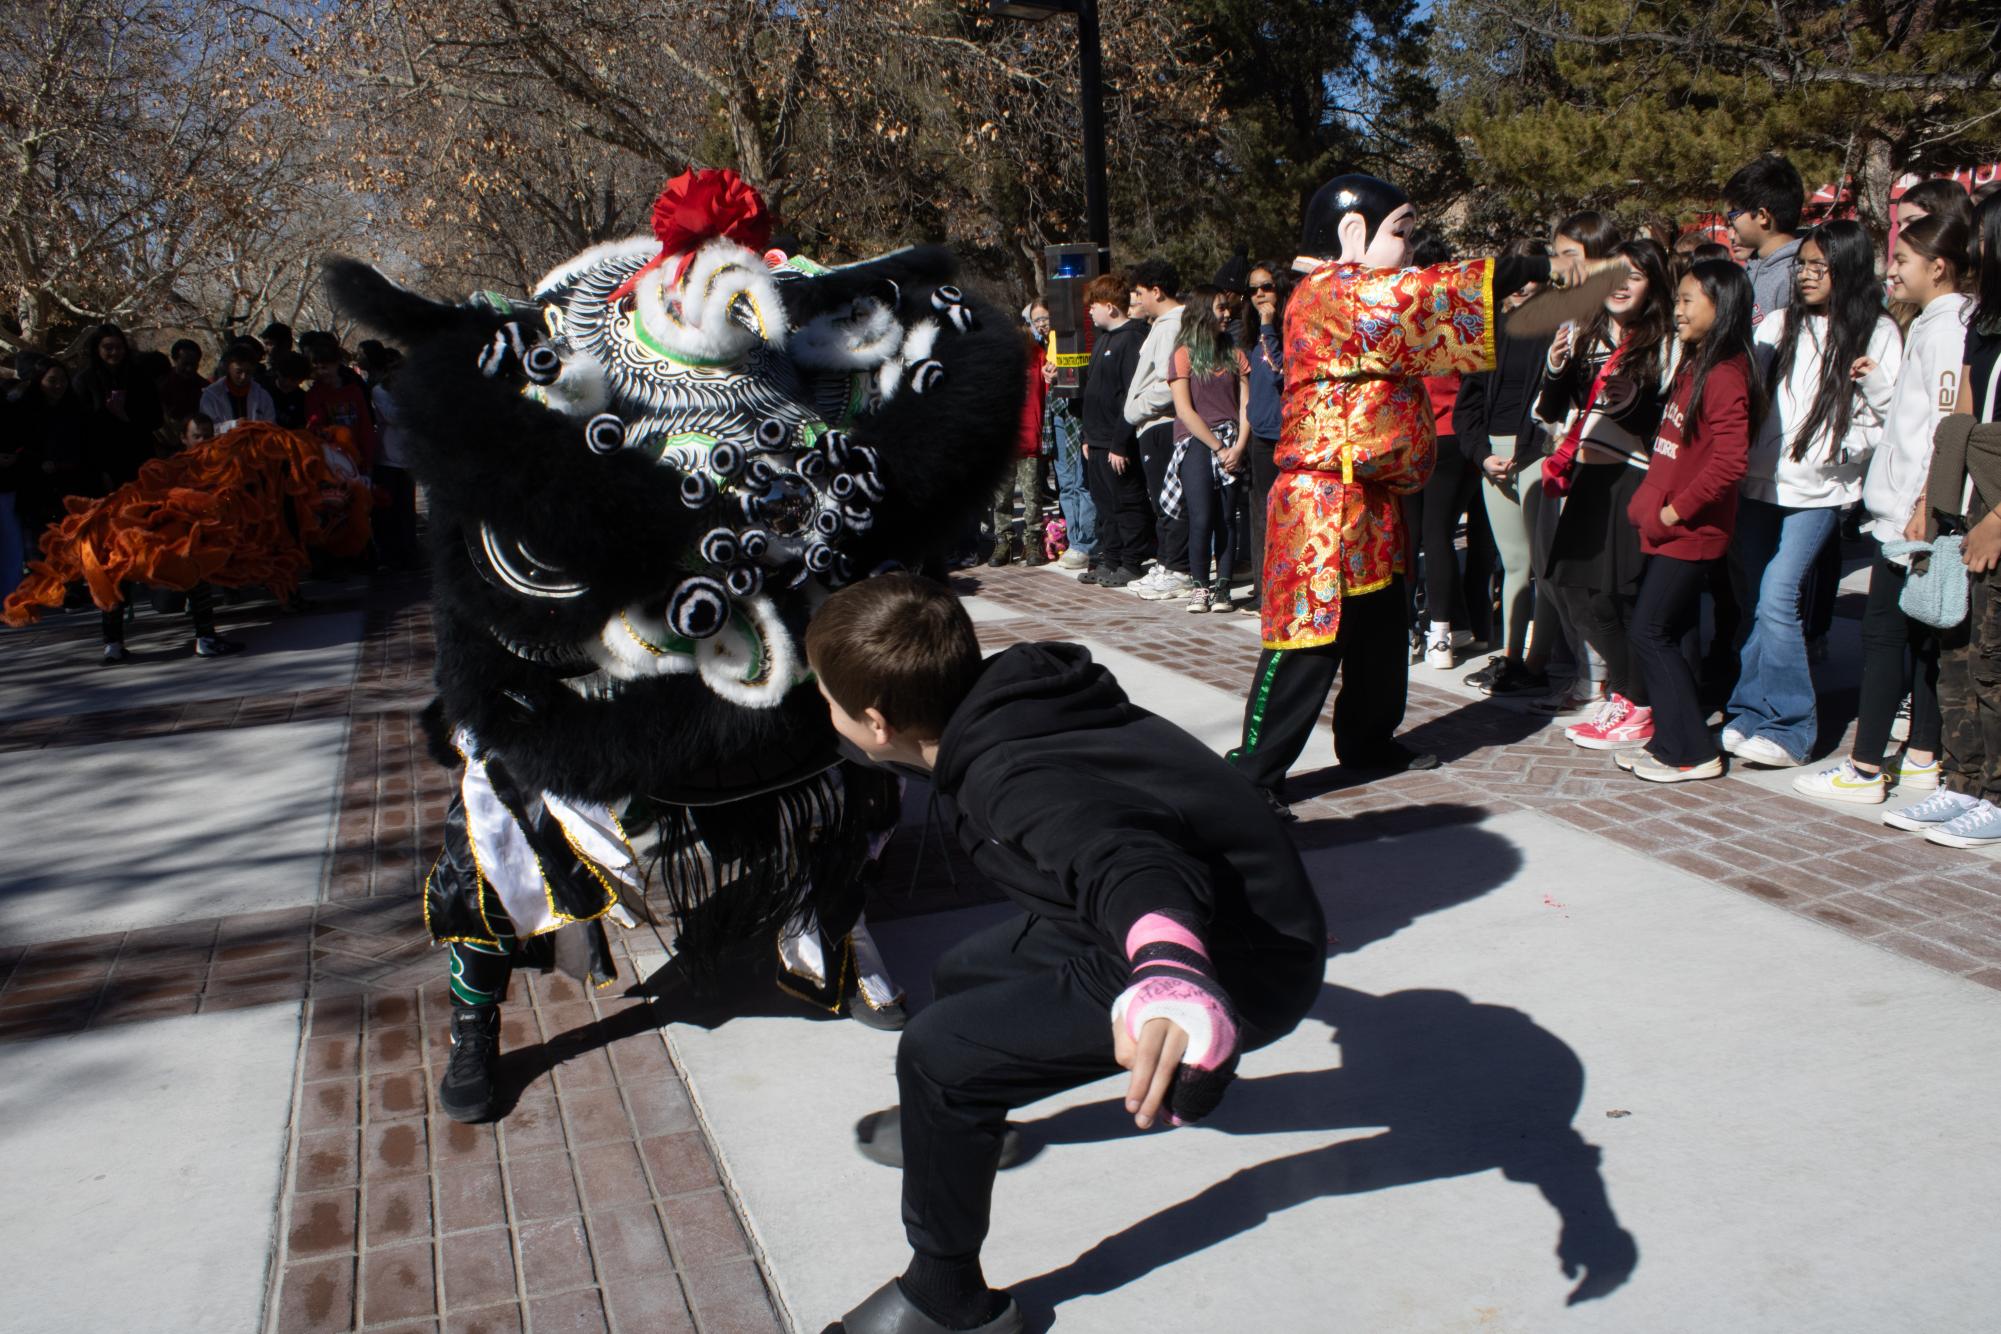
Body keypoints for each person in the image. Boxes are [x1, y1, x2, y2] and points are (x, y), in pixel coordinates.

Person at [804, 573, 1325, 1334]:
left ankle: (944, 1300)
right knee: (963, 975)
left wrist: (1172, 970)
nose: (825, 713)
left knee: (937, 1055)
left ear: (877, 721)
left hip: (1225, 960)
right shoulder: (1007, 699)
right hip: (1158, 919)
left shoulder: (1012, 777)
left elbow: (1124, 858)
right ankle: (964, 1131)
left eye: (828, 701)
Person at [1227, 172, 1583, 812]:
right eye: (1403, 233)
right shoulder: (1326, 293)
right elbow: (1414, 302)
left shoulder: (1359, 293)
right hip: (1322, 503)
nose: (1412, 247)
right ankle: (1252, 774)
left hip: (1374, 499)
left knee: (1382, 634)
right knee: (1309, 641)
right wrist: (1514, 270)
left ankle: (1368, 740)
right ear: (1353, 232)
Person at [1796, 213, 1972, 805]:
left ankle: (1867, 765)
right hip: (1909, 503)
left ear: (1937, 266)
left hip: (1911, 512)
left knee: (1883, 634)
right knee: (1918, 636)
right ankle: (1921, 756)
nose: (1890, 271)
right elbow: (1913, 414)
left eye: (1901, 260)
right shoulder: (1930, 324)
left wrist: (1926, 503)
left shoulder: (1947, 329)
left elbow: (1949, 427)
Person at [1723, 221, 1900, 768]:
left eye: (1820, 266)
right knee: (1754, 600)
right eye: (1803, 264)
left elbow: (1892, 414)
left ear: (1848, 268)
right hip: (1758, 482)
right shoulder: (1778, 323)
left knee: (1779, 597)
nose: (1807, 275)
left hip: (1819, 491)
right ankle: (1749, 710)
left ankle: (1791, 727)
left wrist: (1843, 451)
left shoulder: (1877, 331)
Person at [1882, 192, 2001, 847]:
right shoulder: (1982, 322)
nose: (1971, 249)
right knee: (1955, 650)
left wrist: (1997, 518)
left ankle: (1997, 793)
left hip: (1997, 508)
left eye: (1982, 237)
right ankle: (1965, 781)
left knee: (1994, 658)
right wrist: (1932, 500)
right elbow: (1957, 415)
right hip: (1965, 504)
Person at [1613, 259, 1761, 782]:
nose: (1677, 309)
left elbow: (1729, 462)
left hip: (1691, 531)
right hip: (1668, 527)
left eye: (1688, 300)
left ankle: (1695, 752)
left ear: (1720, 307)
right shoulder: (1696, 363)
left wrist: (1675, 510)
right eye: (1675, 299)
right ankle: (1671, 740)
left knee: (1648, 631)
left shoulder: (1725, 374)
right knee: (1670, 633)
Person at [1539, 240, 1677, 753]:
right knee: (1580, 591)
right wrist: (1556, 367)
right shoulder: (1588, 331)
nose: (1620, 285)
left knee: (1618, 596)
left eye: (1636, 276)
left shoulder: (1664, 341)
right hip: (1587, 476)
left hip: (1633, 475)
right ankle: (1626, 693)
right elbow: (1556, 408)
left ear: (1654, 285)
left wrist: (1636, 401)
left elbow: (1665, 424)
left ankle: (1634, 700)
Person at [1523, 212, 1625, 719]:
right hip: (1561, 458)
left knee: (1586, 579)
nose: (1560, 267)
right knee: (1553, 574)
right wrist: (1556, 365)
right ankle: (1586, 676)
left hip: (1605, 465)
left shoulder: (1619, 316)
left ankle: (1603, 681)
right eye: (1557, 254)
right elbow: (1546, 406)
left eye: (1572, 256)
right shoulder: (1570, 317)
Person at [1458, 238, 1556, 696]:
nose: (1521, 287)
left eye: (1529, 276)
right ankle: (1514, 657)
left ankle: (1538, 662)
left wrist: (1531, 450)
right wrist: (1481, 455)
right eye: (1513, 278)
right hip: (1494, 456)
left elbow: (1558, 403)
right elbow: (1467, 406)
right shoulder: (1488, 331)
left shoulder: (1557, 330)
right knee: (1515, 563)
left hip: (1537, 450)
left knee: (1543, 564)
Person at [1408, 233, 1496, 668]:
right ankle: (1452, 626)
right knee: (1440, 535)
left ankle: (1430, 632)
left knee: (1423, 538)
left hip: (1423, 438)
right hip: (1462, 440)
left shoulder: (1412, 316)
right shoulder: (1467, 317)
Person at [1164, 284, 1249, 612]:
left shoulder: (1235, 353)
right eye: (1219, 308)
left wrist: (1238, 446)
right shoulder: (1183, 354)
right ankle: (1200, 585)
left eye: (1227, 308)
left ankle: (1224, 588)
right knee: (1201, 517)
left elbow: (1246, 403)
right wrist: (1216, 447)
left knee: (1228, 517)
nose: (1227, 314)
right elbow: (1184, 409)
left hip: (1231, 440)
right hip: (1196, 442)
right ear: (1202, 312)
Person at [1122, 259, 1190, 599]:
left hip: (1161, 426)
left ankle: (1176, 568)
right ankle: (1167, 562)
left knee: (1168, 500)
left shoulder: (1168, 326)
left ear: (1156, 291)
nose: (1136, 299)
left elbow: (1169, 382)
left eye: (1139, 292)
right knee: (1162, 497)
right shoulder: (1163, 324)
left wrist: (1137, 407)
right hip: (1154, 425)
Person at [1078, 272, 1150, 587]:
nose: (1090, 312)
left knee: (1126, 503)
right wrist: (1086, 436)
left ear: (1110, 306)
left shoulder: (1132, 338)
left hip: (1117, 443)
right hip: (1095, 441)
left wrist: (1119, 443)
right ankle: (1110, 559)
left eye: (1093, 305)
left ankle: (1132, 562)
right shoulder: (1102, 341)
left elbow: (1130, 396)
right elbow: (1094, 392)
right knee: (1104, 505)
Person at [1242, 262, 1288, 614]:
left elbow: (1280, 372)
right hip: (1260, 436)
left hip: (1285, 437)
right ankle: (1262, 589)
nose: (1260, 295)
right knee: (1261, 515)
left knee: (1284, 516)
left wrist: (1270, 327)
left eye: (1267, 287)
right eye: (1254, 289)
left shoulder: (1284, 330)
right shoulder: (1252, 336)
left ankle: (1282, 590)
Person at [988, 303, 1049, 566]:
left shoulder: (1039, 357)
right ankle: (1003, 541)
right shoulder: (996, 363)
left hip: (1030, 439)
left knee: (1032, 495)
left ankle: (1032, 541)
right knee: (1001, 498)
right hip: (1003, 442)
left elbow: (1049, 392)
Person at [72, 323, 161, 493]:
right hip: (102, 459)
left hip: (138, 455)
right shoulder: (85, 381)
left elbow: (156, 419)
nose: (114, 352)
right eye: (108, 347)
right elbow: (82, 428)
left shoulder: (140, 377)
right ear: (97, 349)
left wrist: (126, 416)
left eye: (119, 347)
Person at [1723, 154, 1805, 328]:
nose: (1730, 223)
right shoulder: (1752, 267)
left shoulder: (1794, 277)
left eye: (1733, 214)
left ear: (1762, 216)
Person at [371, 359, 419, 570]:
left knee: (407, 510)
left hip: (408, 459)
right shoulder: (380, 392)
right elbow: (394, 416)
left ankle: (409, 553)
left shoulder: (414, 392)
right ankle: (388, 555)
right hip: (386, 458)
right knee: (386, 509)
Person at [304, 340, 378, 470]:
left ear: (337, 363)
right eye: (317, 368)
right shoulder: (314, 394)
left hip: (357, 457)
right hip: (328, 460)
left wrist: (368, 459)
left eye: (325, 367)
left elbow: (365, 425)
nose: (321, 372)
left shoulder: (354, 391)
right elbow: (313, 427)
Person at [199, 342, 277, 429]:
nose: (243, 377)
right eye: (238, 372)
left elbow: (270, 426)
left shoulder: (262, 396)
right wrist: (232, 425)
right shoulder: (211, 395)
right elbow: (206, 429)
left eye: (248, 372)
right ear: (228, 367)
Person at [158, 339, 207, 421]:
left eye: (193, 364)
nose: (189, 369)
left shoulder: (204, 387)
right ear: (174, 360)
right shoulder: (161, 384)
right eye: (185, 364)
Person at [268, 350, 311, 429]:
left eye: (293, 380)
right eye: (284, 377)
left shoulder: (302, 398)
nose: (287, 383)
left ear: (302, 380)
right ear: (278, 372)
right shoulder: (263, 390)